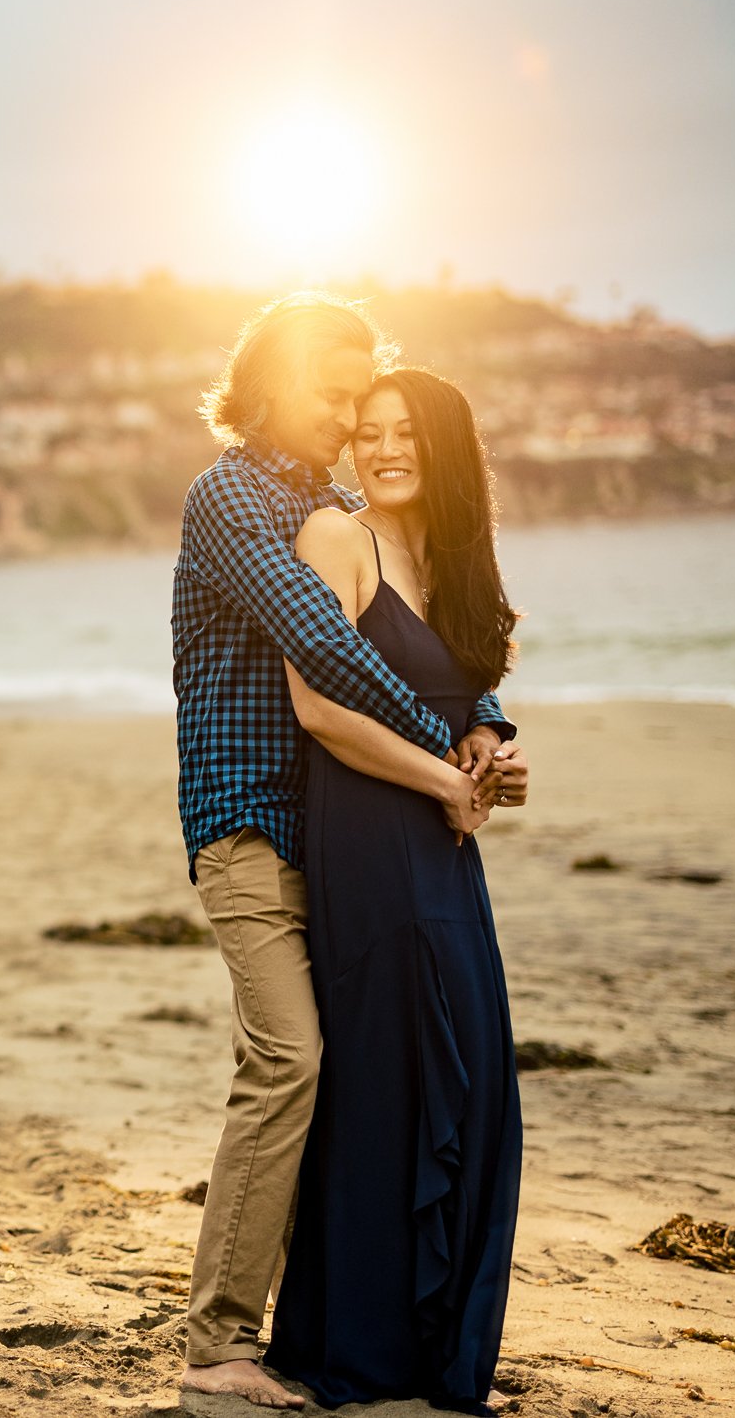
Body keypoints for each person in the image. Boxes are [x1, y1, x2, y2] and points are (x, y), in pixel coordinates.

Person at [170, 295, 524, 1411]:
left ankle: (339, 1318)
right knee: (289, 1061)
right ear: (269, 381)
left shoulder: (327, 502)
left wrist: (487, 721)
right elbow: (325, 644)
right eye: (331, 392)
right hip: (246, 824)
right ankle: (216, 1338)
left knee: (362, 1069)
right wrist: (444, 761)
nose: (346, 416)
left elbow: (410, 626)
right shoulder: (229, 495)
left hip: (332, 832)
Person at [264, 368, 527, 1414]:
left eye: (404, 432)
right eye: (367, 432)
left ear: (444, 445)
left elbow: (465, 699)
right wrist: (446, 783)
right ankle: (363, 1345)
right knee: (386, 1070)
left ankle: (437, 1342)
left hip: (446, 843)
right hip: (368, 836)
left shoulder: (449, 557)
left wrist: (490, 752)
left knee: (470, 1071)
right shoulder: (337, 538)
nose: (381, 448)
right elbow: (320, 710)